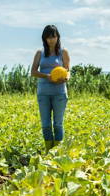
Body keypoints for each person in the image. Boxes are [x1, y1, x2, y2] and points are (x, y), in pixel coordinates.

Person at [31, 24, 70, 154]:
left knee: (58, 123)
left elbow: (67, 70)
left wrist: (66, 78)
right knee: (46, 124)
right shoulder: (39, 53)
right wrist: (47, 76)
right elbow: (33, 72)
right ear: (44, 39)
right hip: (43, 93)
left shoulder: (63, 52)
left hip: (59, 93)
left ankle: (57, 152)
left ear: (58, 37)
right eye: (48, 37)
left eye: (53, 37)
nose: (51, 40)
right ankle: (49, 150)